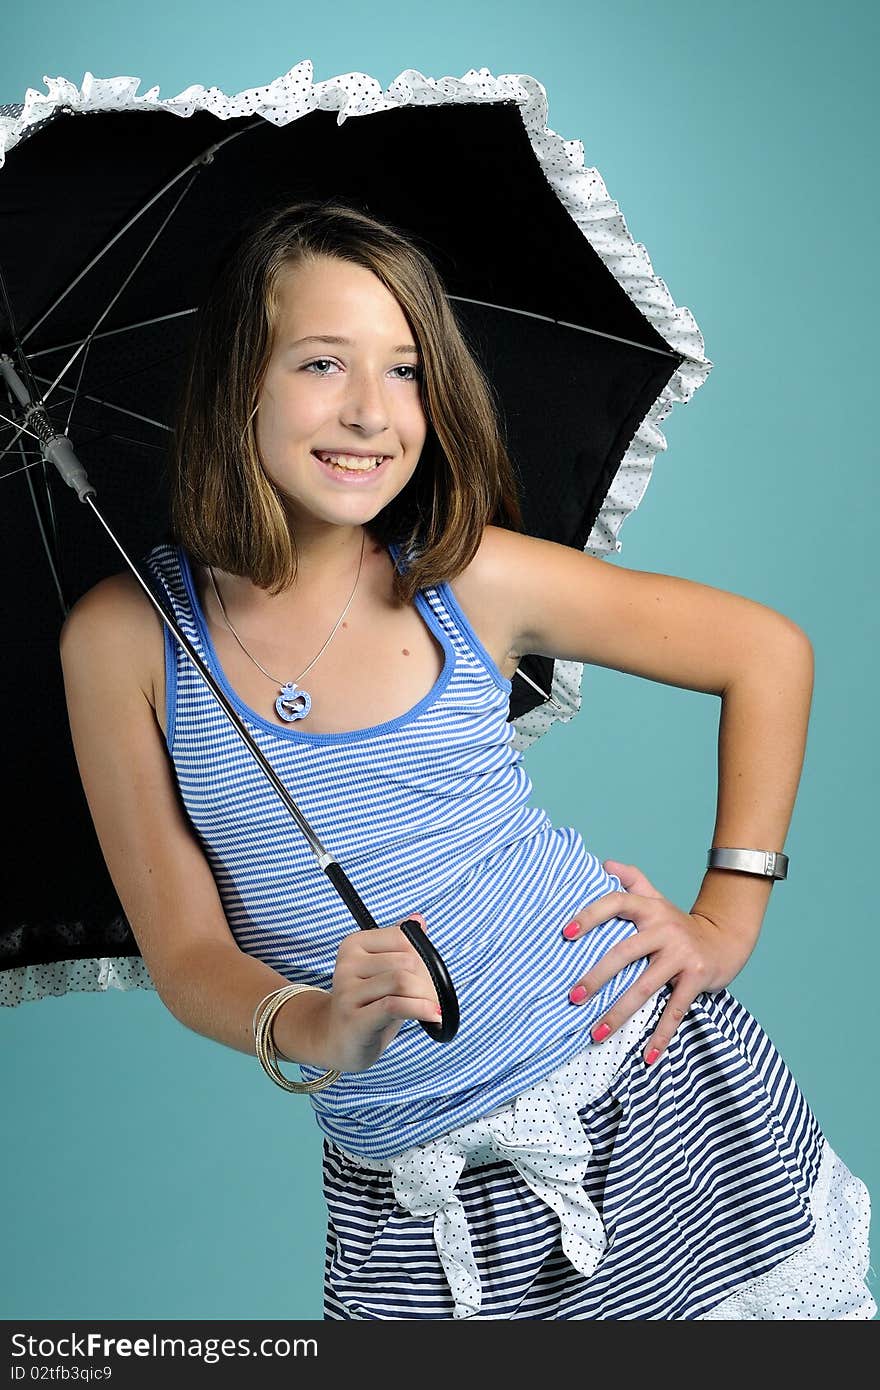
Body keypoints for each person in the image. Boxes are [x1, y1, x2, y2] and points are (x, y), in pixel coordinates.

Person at [60, 199, 874, 1321]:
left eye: (404, 372)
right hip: (412, 1182)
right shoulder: (123, 639)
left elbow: (765, 654)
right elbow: (188, 948)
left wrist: (727, 914)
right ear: (237, 383)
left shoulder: (463, 576)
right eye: (321, 364)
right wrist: (315, 1023)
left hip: (645, 1085)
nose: (368, 412)